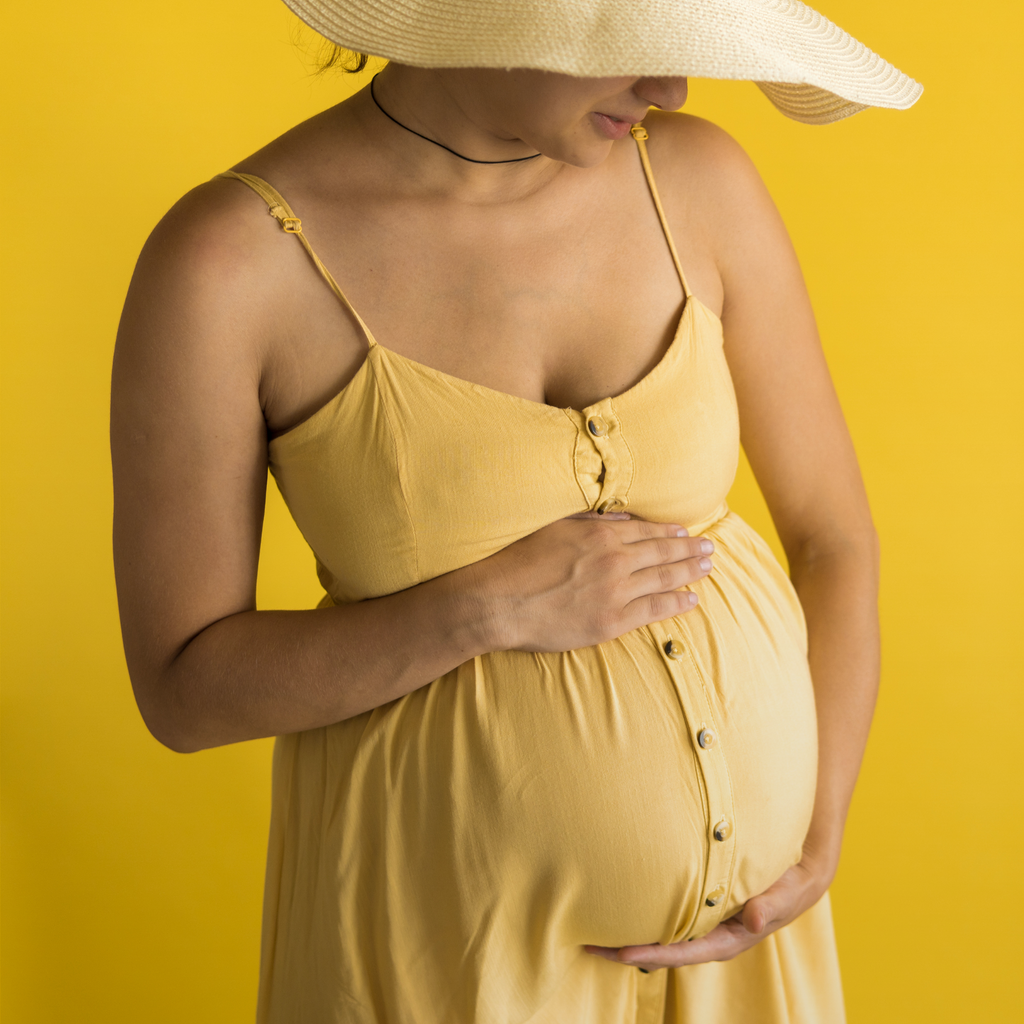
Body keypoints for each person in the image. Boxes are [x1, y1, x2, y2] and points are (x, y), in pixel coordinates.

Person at [110, 0, 921, 1020]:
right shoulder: (230, 265)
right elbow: (181, 689)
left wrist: (816, 828)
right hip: (439, 947)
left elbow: (833, 539)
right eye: (632, 51)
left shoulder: (700, 182)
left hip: (743, 965)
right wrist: (478, 610)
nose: (668, 91)